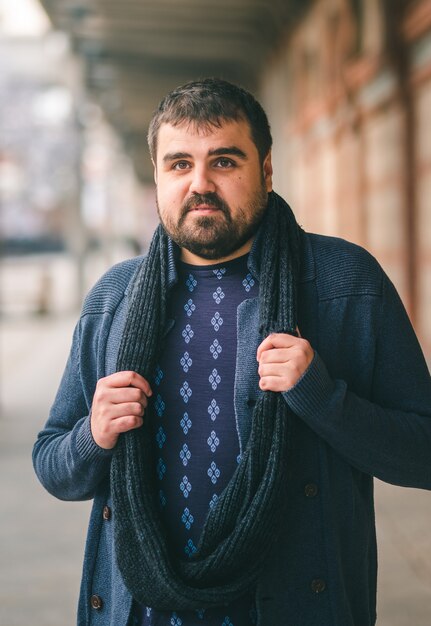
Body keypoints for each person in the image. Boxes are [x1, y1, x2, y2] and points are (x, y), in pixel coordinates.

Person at [33, 78, 431, 626]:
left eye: (224, 161)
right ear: (155, 178)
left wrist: (322, 398)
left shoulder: (345, 282)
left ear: (266, 171)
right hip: (141, 610)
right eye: (179, 164)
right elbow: (53, 464)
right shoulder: (114, 297)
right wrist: (93, 435)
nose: (200, 184)